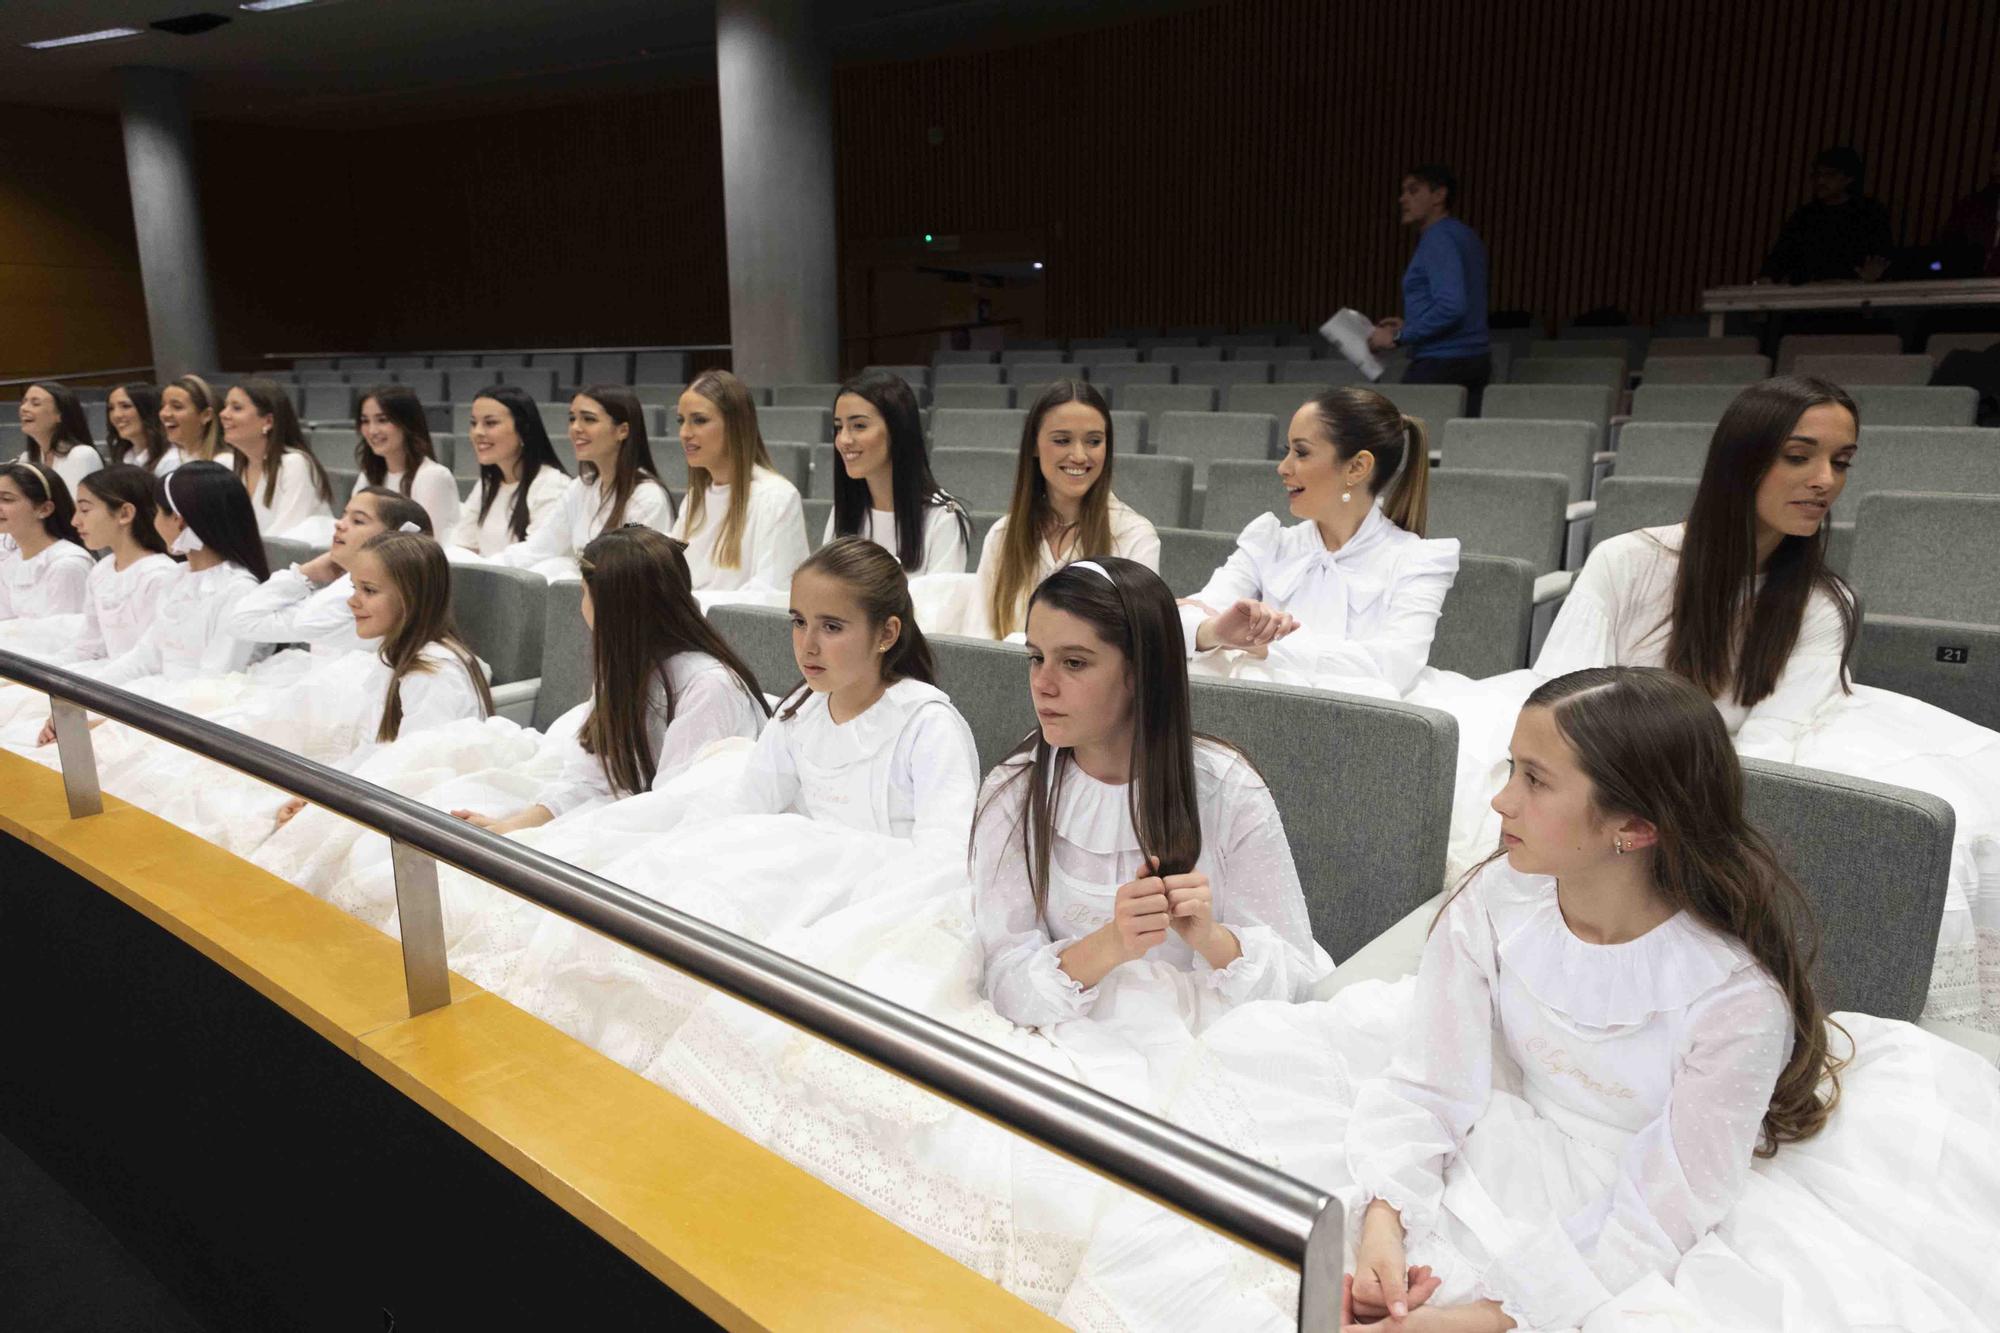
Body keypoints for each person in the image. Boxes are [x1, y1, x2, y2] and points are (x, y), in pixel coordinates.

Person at [1061, 666, 2000, 1332]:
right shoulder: (1496, 898)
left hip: (1639, 1196)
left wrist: (1485, 1314)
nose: (1500, 802)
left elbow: (1659, 1207)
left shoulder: (1731, 997)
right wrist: (1380, 1213)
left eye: (1534, 779)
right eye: (1510, 767)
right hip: (1504, 1123)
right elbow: (1430, 1078)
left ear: (1635, 825)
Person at [974, 556, 1331, 1029]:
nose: (1043, 684)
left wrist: (1209, 937)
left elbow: (1296, 981)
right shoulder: (1014, 790)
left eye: (1074, 662)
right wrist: (1111, 945)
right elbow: (999, 980)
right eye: (1036, 657)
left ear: (1142, 671)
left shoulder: (1226, 787)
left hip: (1210, 1038)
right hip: (1059, 1043)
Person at [452, 527, 768, 833]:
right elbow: (591, 777)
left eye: (584, 594)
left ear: (613, 608)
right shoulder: (625, 669)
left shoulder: (708, 687)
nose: (581, 607)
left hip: (684, 835)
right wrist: (512, 828)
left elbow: (675, 812)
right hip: (640, 818)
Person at [1176, 387, 1458, 696]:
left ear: (1357, 467)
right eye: (1288, 451)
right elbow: (1187, 615)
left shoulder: (1418, 559)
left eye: (1301, 452)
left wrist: (1266, 645)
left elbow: (1393, 667)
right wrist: (1216, 631)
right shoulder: (1270, 542)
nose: (1282, 468)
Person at [976, 380, 1160, 639]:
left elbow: (1136, 643)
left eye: (1093, 441)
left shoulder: (1135, 536)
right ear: (1033, 446)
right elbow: (982, 638)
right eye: (1062, 440)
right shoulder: (1002, 535)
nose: (1080, 455)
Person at [225, 487, 433, 662]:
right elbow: (243, 623)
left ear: (394, 539)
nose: (340, 524)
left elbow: (247, 622)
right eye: (344, 515)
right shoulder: (346, 588)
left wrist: (307, 573)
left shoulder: (348, 596)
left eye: (358, 521)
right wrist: (307, 574)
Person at [500, 386, 674, 578]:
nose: (575, 428)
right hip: (583, 596)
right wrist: (487, 566)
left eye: (588, 419)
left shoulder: (647, 497)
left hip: (619, 602)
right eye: (572, 418)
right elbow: (539, 548)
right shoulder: (581, 487)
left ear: (622, 431)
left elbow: (629, 575)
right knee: (552, 566)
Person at [669, 370, 810, 591]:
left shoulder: (776, 497)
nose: (685, 433)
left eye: (699, 420)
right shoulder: (694, 498)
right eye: (681, 421)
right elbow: (672, 573)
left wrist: (690, 607)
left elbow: (773, 593)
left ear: (736, 424)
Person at [1368, 164, 1491, 412]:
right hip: (1475, 360)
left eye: (1413, 191)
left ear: (1439, 195)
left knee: (1409, 444)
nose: (1403, 199)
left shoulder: (1438, 238)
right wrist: (1410, 323)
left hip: (1441, 364)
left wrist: (1399, 336)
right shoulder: (1463, 235)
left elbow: (1451, 306)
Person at [826, 370, 971, 574]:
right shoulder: (844, 509)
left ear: (897, 430)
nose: (843, 440)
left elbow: (942, 603)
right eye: (838, 427)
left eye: (859, 426)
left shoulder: (943, 516)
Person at [43, 465, 181, 664]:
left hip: (140, 688)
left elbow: (153, 660)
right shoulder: (102, 569)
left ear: (125, 513)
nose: (75, 521)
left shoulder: (159, 576)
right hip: (110, 677)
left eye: (85, 510)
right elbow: (89, 646)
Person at [448, 386, 569, 559]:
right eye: (474, 423)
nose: (477, 432)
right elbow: (462, 545)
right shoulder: (487, 485)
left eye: (490, 423)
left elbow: (537, 555)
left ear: (523, 429)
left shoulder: (553, 485)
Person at [1757, 146, 1895, 284]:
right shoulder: (1805, 216)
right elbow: (1781, 255)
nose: (1820, 181)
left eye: (1830, 175)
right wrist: (1767, 277)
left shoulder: (1869, 213)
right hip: (1808, 293)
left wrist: (1873, 275)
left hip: (1855, 293)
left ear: (1849, 178)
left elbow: (1882, 257)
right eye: (1817, 175)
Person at [221, 378, 335, 537]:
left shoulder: (295, 464)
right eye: (225, 407)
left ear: (268, 421)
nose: (223, 414)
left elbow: (285, 537)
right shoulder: (229, 465)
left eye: (237, 408)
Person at [351, 385, 462, 536]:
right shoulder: (367, 476)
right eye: (365, 421)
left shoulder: (433, 477)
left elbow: (429, 546)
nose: (372, 430)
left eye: (382, 420)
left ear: (407, 423)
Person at [0, 462, 93, 620]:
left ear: (45, 509)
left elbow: (65, 635)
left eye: (7, 499)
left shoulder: (67, 564)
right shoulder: (11, 561)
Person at [16, 382, 105, 493]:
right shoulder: (27, 458)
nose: (23, 408)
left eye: (35, 404)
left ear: (60, 415)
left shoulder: (81, 455)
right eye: (24, 402)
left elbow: (79, 506)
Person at [1940, 144, 2000, 278]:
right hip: (1963, 288)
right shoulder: (1971, 208)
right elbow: (1945, 254)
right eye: (1994, 164)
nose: (1996, 171)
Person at [157, 375, 227, 467]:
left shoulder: (223, 462)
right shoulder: (168, 461)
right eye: (163, 406)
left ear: (206, 415)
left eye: (177, 407)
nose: (164, 414)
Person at [104, 383, 176, 474]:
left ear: (148, 410)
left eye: (126, 406)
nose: (116, 415)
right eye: (111, 408)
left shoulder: (172, 460)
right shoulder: (126, 458)